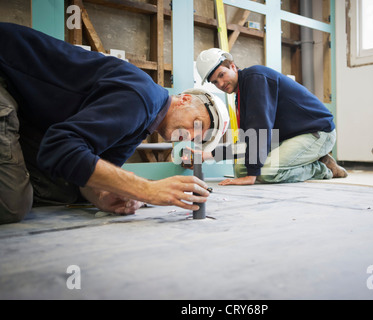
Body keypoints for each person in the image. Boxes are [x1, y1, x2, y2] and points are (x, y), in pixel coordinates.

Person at [0, 23, 224, 225]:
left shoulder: (139, 129)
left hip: (26, 114)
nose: (189, 136)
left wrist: (103, 196)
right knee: (13, 205)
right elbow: (59, 147)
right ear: (184, 99)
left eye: (196, 137)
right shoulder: (143, 97)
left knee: (63, 190)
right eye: (196, 123)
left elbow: (84, 175)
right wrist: (147, 189)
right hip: (5, 75)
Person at [196, 48, 348, 186]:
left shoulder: (255, 78)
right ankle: (309, 159)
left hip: (318, 132)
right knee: (240, 169)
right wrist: (207, 155)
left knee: (267, 172)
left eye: (222, 75)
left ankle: (322, 168)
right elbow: (248, 141)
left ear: (233, 66)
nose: (221, 83)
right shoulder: (241, 95)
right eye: (215, 82)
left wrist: (251, 176)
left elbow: (260, 128)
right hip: (291, 137)